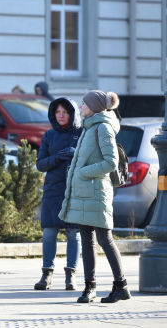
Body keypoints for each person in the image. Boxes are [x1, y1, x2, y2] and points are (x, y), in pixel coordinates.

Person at [59, 90, 132, 304]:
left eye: (84, 103)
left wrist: (83, 172)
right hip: (84, 193)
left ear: (94, 106)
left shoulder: (102, 127)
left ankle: (121, 285)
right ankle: (89, 287)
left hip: (97, 192)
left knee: (104, 239)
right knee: (87, 240)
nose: (80, 106)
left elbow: (110, 162)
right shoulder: (89, 127)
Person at [34, 98, 82, 291]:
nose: (61, 115)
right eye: (58, 112)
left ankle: (71, 275)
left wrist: (75, 154)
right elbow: (40, 164)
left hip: (75, 189)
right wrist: (57, 157)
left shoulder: (81, 133)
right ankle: (47, 275)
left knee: (73, 232)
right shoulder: (49, 136)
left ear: (72, 113)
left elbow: (89, 159)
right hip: (53, 190)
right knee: (49, 232)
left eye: (65, 112)